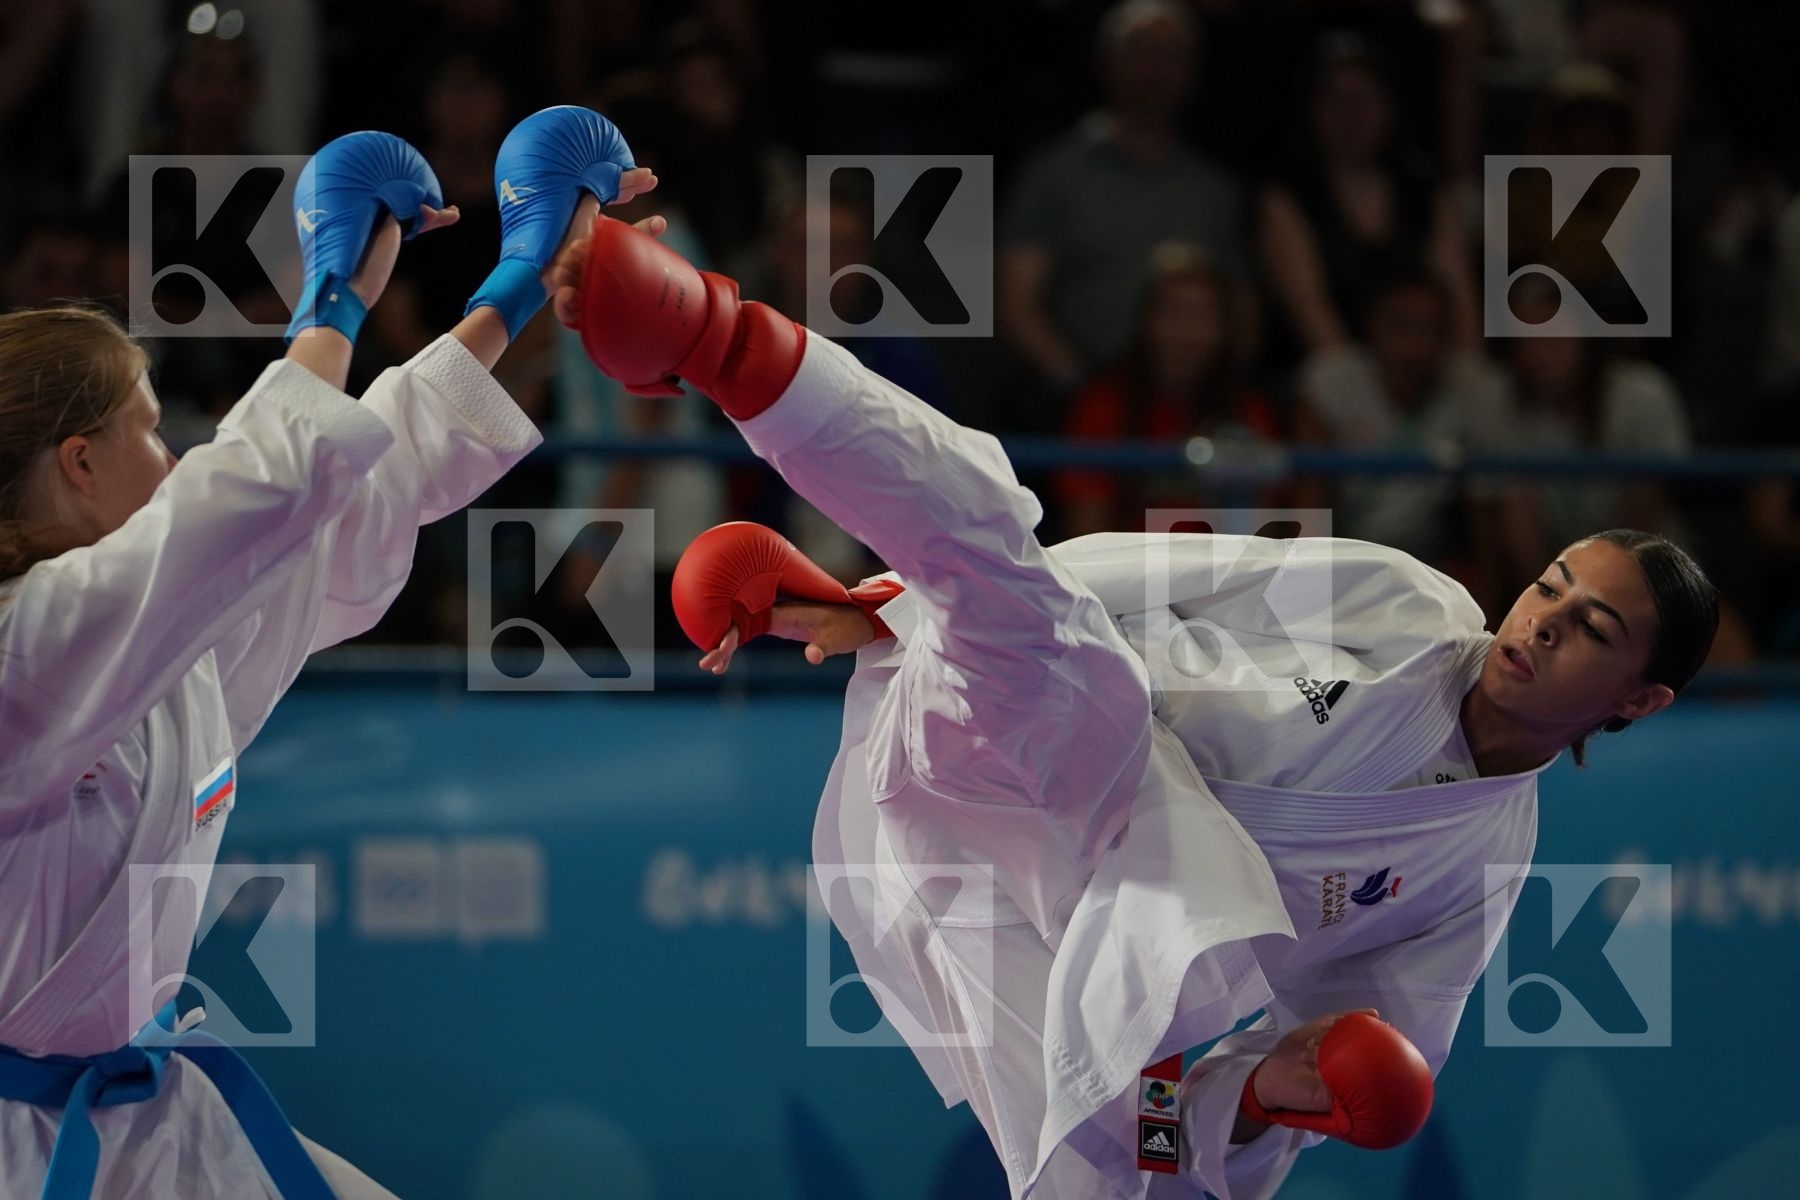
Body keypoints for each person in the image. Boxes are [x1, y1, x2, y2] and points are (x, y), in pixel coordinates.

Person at [565, 215, 1720, 1199]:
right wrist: (893, 603)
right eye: (1548, 588)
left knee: (1127, 1165)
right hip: (1062, 749)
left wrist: (1276, 1093)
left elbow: (1326, 1067)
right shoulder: (1413, 609)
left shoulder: (1472, 876)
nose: (1541, 623)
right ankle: (717, 339)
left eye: (1592, 632)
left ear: (1643, 699)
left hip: (1041, 929)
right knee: (1010, 568)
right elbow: (1168, 573)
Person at [0, 108, 658, 1197]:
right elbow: (240, 497)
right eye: (151, 428)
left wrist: (520, 282)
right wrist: (329, 303)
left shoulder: (169, 653)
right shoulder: (26, 649)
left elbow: (359, 490)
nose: (174, 460)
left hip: (153, 1120)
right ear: (78, 463)